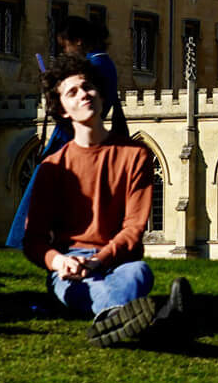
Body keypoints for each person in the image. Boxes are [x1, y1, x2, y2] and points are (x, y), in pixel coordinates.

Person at [22, 53, 188, 345]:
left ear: (100, 94)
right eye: (72, 92)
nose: (84, 95)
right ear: (61, 110)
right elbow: (33, 239)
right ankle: (145, 320)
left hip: (119, 260)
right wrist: (59, 262)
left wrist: (100, 260)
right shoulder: (51, 168)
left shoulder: (135, 155)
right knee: (78, 286)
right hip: (71, 263)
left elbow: (134, 228)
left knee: (138, 272)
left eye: (87, 87)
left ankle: (117, 319)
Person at [7, 16, 127, 250]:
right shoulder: (102, 64)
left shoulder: (94, 66)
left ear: (79, 41)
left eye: (66, 46)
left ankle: (26, 241)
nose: (66, 52)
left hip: (71, 137)